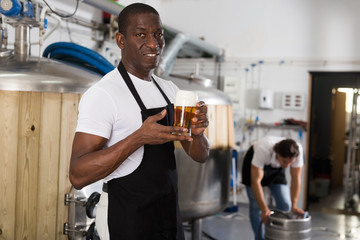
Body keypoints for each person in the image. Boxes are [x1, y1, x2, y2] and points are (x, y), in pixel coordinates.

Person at [69, 3, 210, 240]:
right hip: (126, 216)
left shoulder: (168, 89)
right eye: (141, 34)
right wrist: (138, 138)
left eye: (158, 34)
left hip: (167, 213)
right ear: (121, 40)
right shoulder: (104, 94)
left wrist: (197, 133)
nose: (154, 43)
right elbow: (78, 174)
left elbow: (200, 155)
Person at [241, 136, 304, 240]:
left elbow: (296, 178)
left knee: (285, 205)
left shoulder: (297, 151)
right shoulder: (263, 150)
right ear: (277, 154)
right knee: (256, 206)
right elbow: (255, 182)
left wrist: (294, 206)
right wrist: (264, 209)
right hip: (253, 165)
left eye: (290, 163)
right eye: (285, 162)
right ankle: (260, 238)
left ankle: (277, 237)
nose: (288, 166)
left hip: (277, 169)